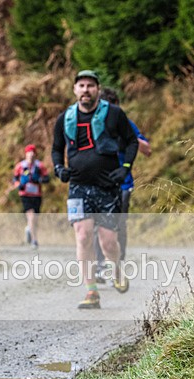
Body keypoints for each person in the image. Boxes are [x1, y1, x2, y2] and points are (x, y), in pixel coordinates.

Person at [51, 70, 139, 309]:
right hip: (78, 187)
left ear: (98, 90)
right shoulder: (65, 118)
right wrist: (59, 168)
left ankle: (117, 270)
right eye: (81, 85)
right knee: (82, 235)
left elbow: (131, 140)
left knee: (108, 242)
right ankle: (91, 292)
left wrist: (126, 168)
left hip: (107, 186)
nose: (86, 90)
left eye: (90, 85)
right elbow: (57, 149)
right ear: (75, 90)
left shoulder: (114, 114)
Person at [93, 87, 151, 284]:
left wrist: (126, 135)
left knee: (117, 225)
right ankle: (101, 266)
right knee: (98, 224)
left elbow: (147, 149)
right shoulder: (90, 122)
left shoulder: (125, 123)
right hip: (98, 182)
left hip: (123, 183)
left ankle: (117, 264)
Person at [12, 144, 49, 249]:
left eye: (33, 153)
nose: (31, 155)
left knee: (35, 218)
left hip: (37, 194)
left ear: (35, 154)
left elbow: (47, 178)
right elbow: (15, 179)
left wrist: (39, 180)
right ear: (26, 154)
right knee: (31, 215)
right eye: (29, 153)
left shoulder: (39, 165)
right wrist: (18, 185)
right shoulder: (20, 166)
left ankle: (29, 229)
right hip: (25, 194)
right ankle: (34, 240)